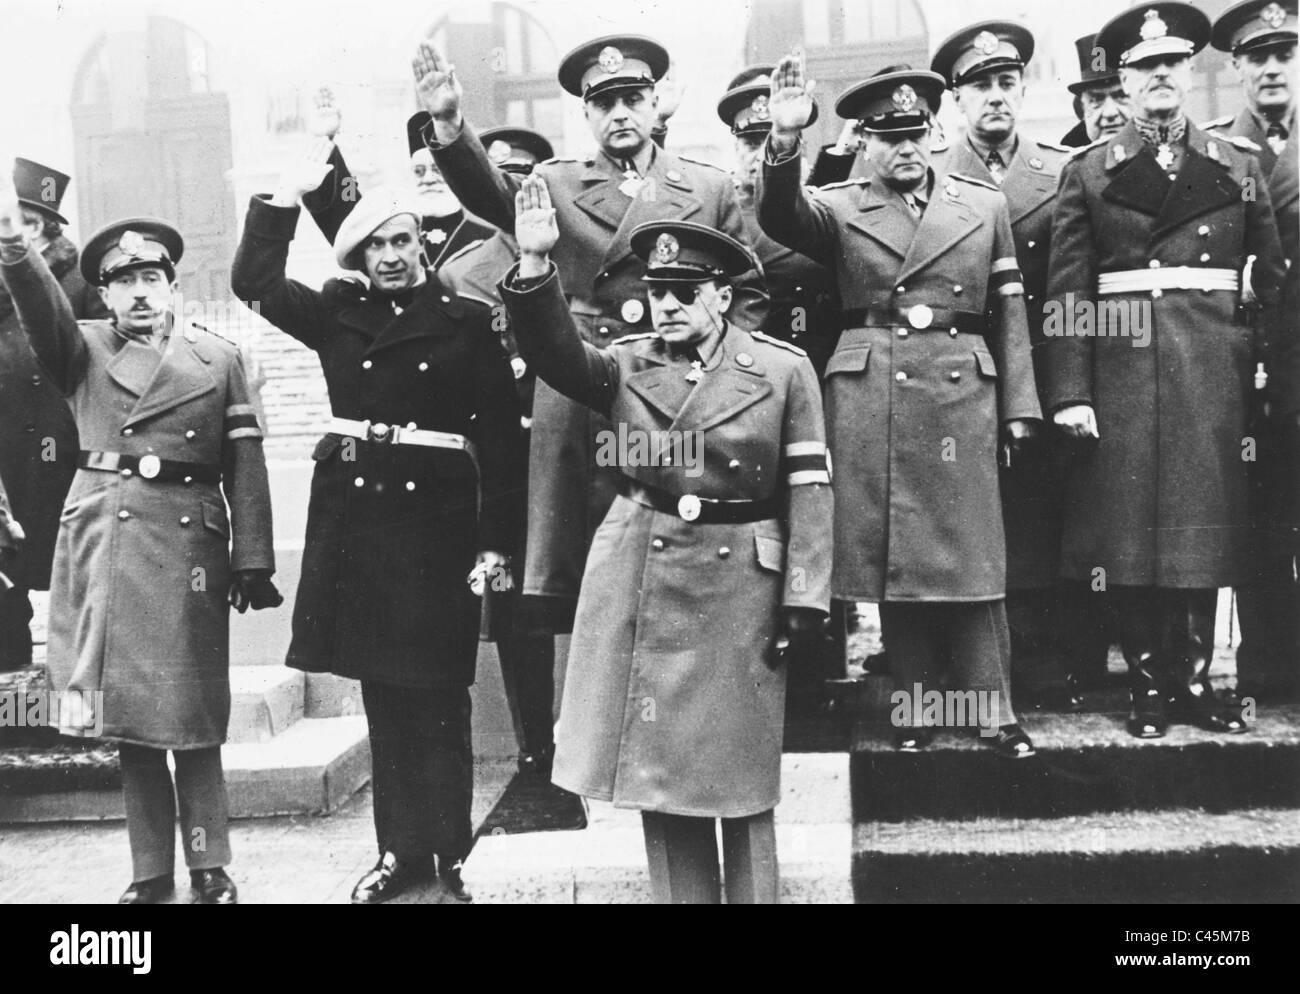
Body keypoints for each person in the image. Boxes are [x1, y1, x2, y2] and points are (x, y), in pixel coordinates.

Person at [502, 190, 832, 903]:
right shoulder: (623, 365)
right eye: (658, 292)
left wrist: (805, 594)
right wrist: (533, 263)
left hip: (741, 578)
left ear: (723, 297)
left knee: (741, 778)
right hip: (644, 570)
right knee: (662, 771)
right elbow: (556, 354)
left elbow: (810, 486)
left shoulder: (782, 371)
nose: (668, 306)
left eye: (685, 293)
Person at [231, 142, 518, 904]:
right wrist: (282, 200)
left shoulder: (466, 319)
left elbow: (500, 442)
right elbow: (252, 282)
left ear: (422, 244)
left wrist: (496, 543)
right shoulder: (335, 312)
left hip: (443, 524)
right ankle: (400, 854)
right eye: (375, 245)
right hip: (362, 525)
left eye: (403, 240)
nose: (392, 256)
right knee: (385, 696)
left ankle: (452, 858)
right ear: (357, 255)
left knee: (441, 696)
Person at [413, 33, 769, 631]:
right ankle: (585, 709)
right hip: (580, 376)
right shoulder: (555, 183)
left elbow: (750, 291)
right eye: (604, 103)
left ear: (657, 105)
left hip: (674, 380)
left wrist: (715, 365)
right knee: (582, 551)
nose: (620, 113)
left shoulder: (705, 188)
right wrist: (449, 123)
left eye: (632, 98)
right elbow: (490, 194)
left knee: (675, 534)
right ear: (586, 114)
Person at [0, 172, 281, 903]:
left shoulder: (218, 360)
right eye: (121, 282)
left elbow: (245, 464)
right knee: (130, 725)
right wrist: (12, 246)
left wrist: (252, 559)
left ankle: (209, 866)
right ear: (104, 293)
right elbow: (37, 304)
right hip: (110, 546)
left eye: (151, 276)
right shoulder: (81, 351)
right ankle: (151, 873)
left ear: (172, 286)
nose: (138, 292)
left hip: (187, 551)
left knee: (190, 718)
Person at [757, 55, 1040, 758]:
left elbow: (1009, 309)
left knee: (973, 555)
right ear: (863, 142)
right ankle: (916, 710)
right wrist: (786, 141)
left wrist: (1019, 408)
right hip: (874, 393)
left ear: (935, 133)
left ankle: (992, 711)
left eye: (916, 132)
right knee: (898, 561)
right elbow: (780, 214)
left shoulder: (983, 205)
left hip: (961, 390)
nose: (905, 147)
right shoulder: (842, 207)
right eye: (888, 136)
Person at [1044, 1, 1287, 739]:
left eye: (1172, 65)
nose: (1160, 78)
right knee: (1133, 531)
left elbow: (1270, 280)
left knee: (1203, 530)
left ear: (1189, 73)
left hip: (1212, 369)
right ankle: (1150, 685)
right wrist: (1072, 393)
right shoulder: (1091, 171)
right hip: (1126, 372)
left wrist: (1265, 372)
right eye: (1146, 68)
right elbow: (1067, 295)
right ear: (1123, 80)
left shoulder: (1236, 166)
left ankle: (1197, 682)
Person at [929, 22, 1086, 710]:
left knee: (1038, 509)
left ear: (1021, 89)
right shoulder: (932, 174)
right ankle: (962, 663)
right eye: (979, 87)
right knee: (960, 513)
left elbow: (1079, 276)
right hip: (959, 365)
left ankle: (1043, 658)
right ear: (957, 101)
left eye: (1005, 83)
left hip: (1042, 366)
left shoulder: (1061, 172)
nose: (994, 97)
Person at [438, 126, 569, 782]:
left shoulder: (575, 250)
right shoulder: (462, 272)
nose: (513, 192)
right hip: (509, 457)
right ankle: (535, 745)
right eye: (501, 179)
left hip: (582, 440)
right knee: (520, 602)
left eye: (523, 177)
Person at [1207, 0, 1299, 703]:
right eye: (1258, 57)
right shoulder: (1219, 153)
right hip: (1251, 361)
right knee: (1262, 516)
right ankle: (1268, 666)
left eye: (1284, 54)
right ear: (1236, 67)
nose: (1272, 68)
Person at [0, 158, 104, 672]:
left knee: (78, 580)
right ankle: (10, 710)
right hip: (6, 463)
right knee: (4, 585)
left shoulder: (84, 284)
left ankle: (85, 708)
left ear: (35, 226)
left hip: (66, 457)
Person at [300, 87, 494, 268]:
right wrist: (327, 143)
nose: (428, 179)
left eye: (437, 170)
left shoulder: (488, 236)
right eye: (418, 171)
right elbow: (348, 207)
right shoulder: (390, 232)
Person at [1063, 33, 1133, 148]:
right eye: (1096, 99)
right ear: (1083, 110)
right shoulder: (1067, 163)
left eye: (1121, 96)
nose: (1110, 112)